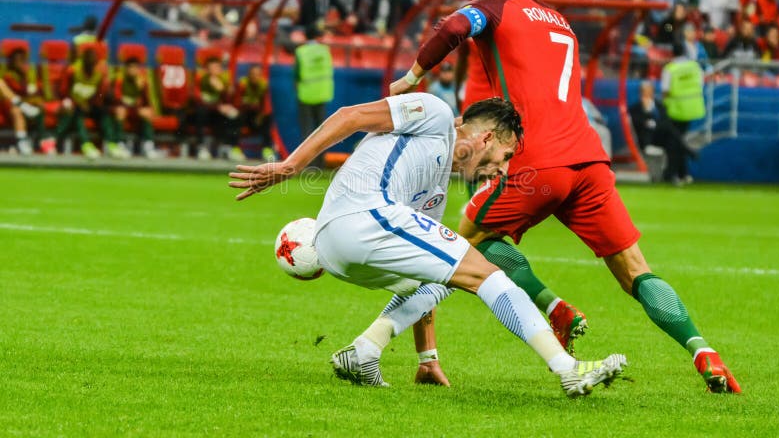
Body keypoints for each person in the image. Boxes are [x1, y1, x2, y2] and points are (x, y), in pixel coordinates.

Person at [385, 0, 739, 394]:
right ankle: (702, 350)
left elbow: (451, 29)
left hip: (534, 160)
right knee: (636, 270)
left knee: (460, 242)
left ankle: (549, 311)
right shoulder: (561, 21)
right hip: (589, 159)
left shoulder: (494, 9)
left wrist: (410, 77)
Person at [228, 93, 627, 397]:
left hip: (344, 251)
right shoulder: (434, 113)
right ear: (486, 137)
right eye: (505, 157)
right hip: (361, 216)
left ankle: (365, 351)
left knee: (443, 279)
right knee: (489, 273)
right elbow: (349, 117)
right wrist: (291, 166)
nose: (503, 171)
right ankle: (567, 370)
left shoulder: (434, 195)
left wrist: (427, 357)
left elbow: (430, 269)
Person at [55, 44, 113, 159]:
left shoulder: (99, 75)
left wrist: (105, 85)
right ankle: (86, 144)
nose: (92, 62)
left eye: (94, 60)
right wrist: (76, 102)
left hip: (90, 105)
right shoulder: (72, 71)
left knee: (104, 113)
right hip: (74, 104)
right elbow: (63, 91)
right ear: (83, 60)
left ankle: (112, 143)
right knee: (77, 114)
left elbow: (100, 95)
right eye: (89, 59)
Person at [661, 41, 705, 185]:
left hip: (675, 110)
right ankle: (683, 173)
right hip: (692, 108)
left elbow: (665, 91)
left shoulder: (670, 69)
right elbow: (700, 84)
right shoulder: (695, 67)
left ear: (672, 53)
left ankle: (673, 174)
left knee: (675, 143)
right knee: (680, 141)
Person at [1, 45, 53, 154]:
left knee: (35, 106)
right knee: (15, 109)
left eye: (23, 60)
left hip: (28, 109)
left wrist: (43, 63)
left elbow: (41, 93)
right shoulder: (8, 75)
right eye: (17, 60)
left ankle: (41, 140)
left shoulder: (30, 75)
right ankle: (23, 140)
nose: (20, 63)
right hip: (8, 106)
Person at [295, 28, 334, 169]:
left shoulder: (301, 51)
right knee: (322, 132)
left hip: (305, 94)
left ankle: (307, 164)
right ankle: (320, 164)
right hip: (322, 94)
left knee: (307, 132)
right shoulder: (325, 50)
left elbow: (297, 74)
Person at [111, 57, 161, 159]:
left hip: (136, 111)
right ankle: (120, 144)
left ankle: (148, 146)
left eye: (135, 68)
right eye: (130, 67)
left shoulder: (142, 82)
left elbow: (147, 102)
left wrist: (141, 89)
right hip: (124, 110)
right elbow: (116, 99)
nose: (133, 70)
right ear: (126, 69)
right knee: (120, 111)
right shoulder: (119, 80)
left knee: (146, 113)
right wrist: (133, 107)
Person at [193, 55, 240, 160]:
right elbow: (198, 99)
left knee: (234, 115)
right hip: (204, 111)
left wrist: (225, 91)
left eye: (217, 68)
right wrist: (218, 107)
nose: (216, 70)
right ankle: (202, 147)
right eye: (213, 68)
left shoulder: (223, 80)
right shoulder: (201, 80)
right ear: (206, 69)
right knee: (201, 112)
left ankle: (229, 147)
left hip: (217, 112)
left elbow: (227, 101)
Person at [234, 64, 276, 162]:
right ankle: (234, 149)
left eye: (257, 74)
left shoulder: (264, 86)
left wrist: (260, 116)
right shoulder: (242, 85)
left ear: (260, 76)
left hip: (257, 117)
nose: (254, 76)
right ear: (248, 75)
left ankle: (267, 149)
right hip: (244, 115)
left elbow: (267, 106)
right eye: (252, 74)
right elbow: (236, 103)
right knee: (234, 117)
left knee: (268, 118)